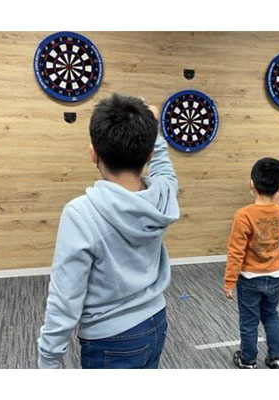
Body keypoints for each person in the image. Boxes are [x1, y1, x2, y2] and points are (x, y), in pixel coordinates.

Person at [37, 93, 180, 369]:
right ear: (149, 155)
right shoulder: (162, 194)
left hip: (109, 339)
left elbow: (65, 297)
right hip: (156, 321)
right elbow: (165, 171)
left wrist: (48, 358)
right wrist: (156, 133)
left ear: (93, 153)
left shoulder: (81, 212)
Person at [224, 157, 279, 369]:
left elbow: (236, 252)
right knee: (271, 315)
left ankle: (248, 359)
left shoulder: (243, 215)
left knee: (249, 321)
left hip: (250, 279)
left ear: (251, 184)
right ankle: (277, 357)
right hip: (275, 275)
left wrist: (229, 281)